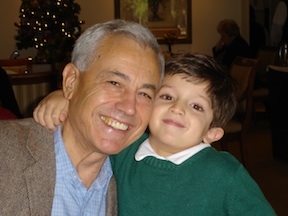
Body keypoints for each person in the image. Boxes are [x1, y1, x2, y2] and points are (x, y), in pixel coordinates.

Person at [33, 53, 276, 215]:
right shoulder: (126, 149)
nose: (177, 108)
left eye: (196, 106)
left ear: (212, 133)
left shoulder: (225, 174)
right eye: (168, 96)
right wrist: (64, 98)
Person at [0, 19, 164, 215]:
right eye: (114, 83)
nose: (129, 108)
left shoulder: (137, 179)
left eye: (145, 94)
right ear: (71, 82)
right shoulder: (6, 153)